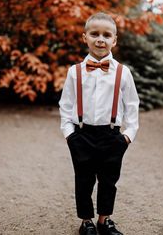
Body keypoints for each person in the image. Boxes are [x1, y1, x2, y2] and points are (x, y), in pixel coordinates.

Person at [59, 12, 139, 235]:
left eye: (106, 35)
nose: (100, 39)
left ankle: (105, 220)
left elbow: (132, 105)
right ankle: (86, 221)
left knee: (109, 180)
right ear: (85, 37)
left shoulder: (123, 73)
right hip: (81, 135)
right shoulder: (74, 72)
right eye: (94, 34)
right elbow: (65, 105)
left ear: (115, 40)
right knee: (83, 180)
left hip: (112, 136)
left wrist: (128, 135)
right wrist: (69, 134)